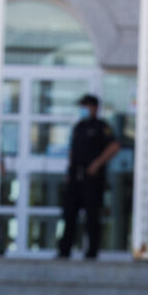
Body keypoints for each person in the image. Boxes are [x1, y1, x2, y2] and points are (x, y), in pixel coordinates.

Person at [57, 94, 119, 260]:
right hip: (75, 176)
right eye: (81, 106)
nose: (83, 110)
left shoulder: (102, 126)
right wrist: (69, 173)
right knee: (69, 213)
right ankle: (64, 250)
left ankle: (92, 251)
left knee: (92, 215)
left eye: (86, 106)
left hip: (92, 178)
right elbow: (73, 151)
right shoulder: (79, 126)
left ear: (94, 108)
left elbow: (114, 146)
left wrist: (97, 164)